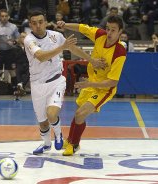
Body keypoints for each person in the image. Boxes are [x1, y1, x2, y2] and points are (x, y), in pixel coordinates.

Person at [24, 9, 106, 155]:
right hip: (37, 83)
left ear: (45, 22)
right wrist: (63, 47)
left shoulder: (56, 36)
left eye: (41, 22)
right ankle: (46, 144)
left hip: (56, 80)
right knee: (43, 123)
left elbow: (74, 49)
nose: (38, 26)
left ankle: (59, 135)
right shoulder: (29, 40)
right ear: (30, 24)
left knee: (51, 114)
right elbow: (41, 56)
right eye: (34, 23)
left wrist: (92, 60)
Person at [57, 15, 127, 156]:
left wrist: (88, 83)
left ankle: (74, 144)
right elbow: (82, 28)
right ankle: (70, 139)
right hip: (91, 82)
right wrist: (65, 25)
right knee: (79, 114)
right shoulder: (100, 35)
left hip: (104, 89)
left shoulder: (119, 52)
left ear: (120, 32)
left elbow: (113, 82)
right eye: (108, 28)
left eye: (113, 30)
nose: (109, 32)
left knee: (80, 113)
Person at [0, 9, 20, 100]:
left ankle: (15, 92)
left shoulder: (13, 27)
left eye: (6, 16)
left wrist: (13, 42)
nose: (4, 18)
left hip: (10, 52)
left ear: (8, 17)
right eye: (2, 16)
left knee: (12, 71)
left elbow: (18, 39)